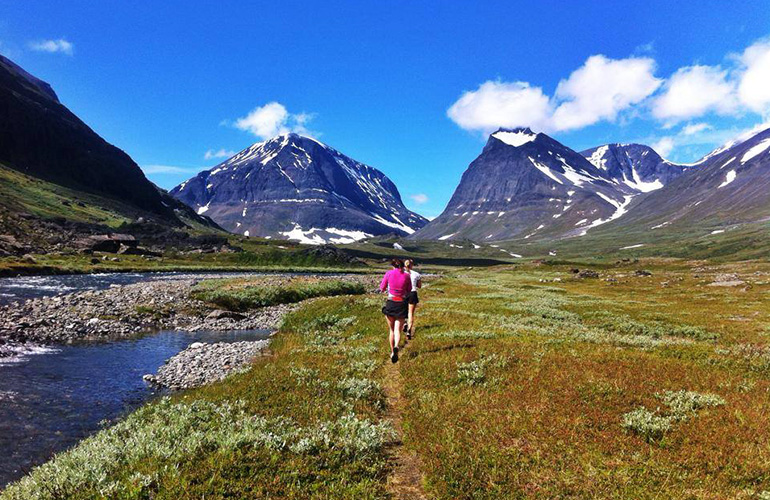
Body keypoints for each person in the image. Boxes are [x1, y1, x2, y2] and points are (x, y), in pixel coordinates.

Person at [380, 258, 412, 363]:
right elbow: (409, 289)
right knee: (398, 330)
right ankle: (397, 346)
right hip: (401, 303)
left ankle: (392, 352)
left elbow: (382, 287)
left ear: (393, 266)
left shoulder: (389, 273)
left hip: (391, 302)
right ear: (402, 266)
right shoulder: (407, 276)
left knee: (392, 330)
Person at [404, 258, 421, 339]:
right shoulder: (416, 274)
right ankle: (409, 331)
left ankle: (404, 323)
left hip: (403, 293)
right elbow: (419, 286)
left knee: (403, 311)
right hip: (412, 293)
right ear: (412, 265)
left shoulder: (401, 273)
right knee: (411, 313)